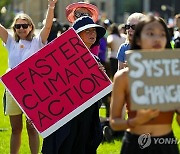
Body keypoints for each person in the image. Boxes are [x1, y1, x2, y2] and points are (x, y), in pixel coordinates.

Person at [110, 15, 180, 154]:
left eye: (162, 34)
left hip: (166, 144)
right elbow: (114, 122)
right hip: (134, 145)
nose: (157, 38)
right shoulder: (123, 77)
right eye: (150, 33)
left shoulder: (173, 75)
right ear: (138, 39)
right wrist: (134, 122)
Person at [42, 16, 106, 154]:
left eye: (94, 30)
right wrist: (37, 114)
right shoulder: (60, 59)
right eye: (87, 31)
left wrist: (101, 78)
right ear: (76, 36)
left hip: (86, 120)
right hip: (66, 121)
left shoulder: (96, 61)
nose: (92, 34)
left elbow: (99, 99)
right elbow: (47, 88)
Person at [0, 0, 57, 153]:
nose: (21, 28)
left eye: (25, 25)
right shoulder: (10, 42)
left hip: (32, 91)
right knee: (15, 129)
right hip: (12, 90)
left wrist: (51, 7)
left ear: (31, 27)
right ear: (14, 28)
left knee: (32, 128)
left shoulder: (38, 42)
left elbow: (48, 26)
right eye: (18, 26)